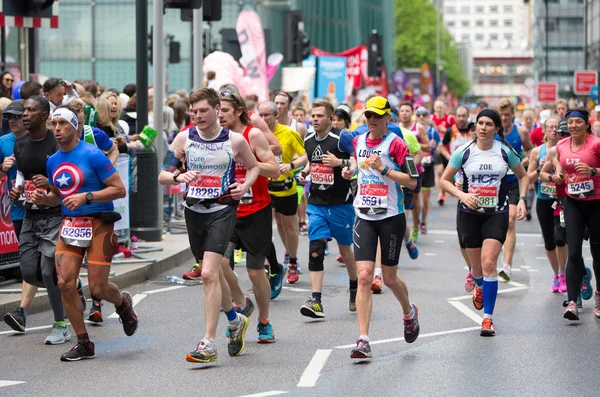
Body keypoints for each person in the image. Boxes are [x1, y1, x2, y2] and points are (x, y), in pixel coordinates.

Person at [159, 88, 261, 363]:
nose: (197, 116)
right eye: (193, 111)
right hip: (194, 211)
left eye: (203, 110)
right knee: (211, 275)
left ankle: (208, 343)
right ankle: (234, 319)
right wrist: (179, 177)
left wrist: (244, 186)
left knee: (207, 274)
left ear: (217, 110)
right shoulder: (185, 138)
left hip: (222, 210)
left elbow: (254, 167)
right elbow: (163, 175)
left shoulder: (235, 140)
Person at [31, 105, 138, 361]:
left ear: (75, 126)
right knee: (65, 283)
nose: (57, 129)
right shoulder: (53, 161)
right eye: (53, 124)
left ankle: (123, 304)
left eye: (62, 124)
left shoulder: (93, 155)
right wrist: (43, 199)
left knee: (98, 288)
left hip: (99, 222)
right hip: (71, 225)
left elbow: (119, 189)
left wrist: (86, 196)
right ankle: (83, 343)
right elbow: (58, 197)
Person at [344, 96, 420, 359]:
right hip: (364, 214)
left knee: (388, 279)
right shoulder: (358, 141)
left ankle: (409, 312)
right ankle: (363, 339)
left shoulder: (396, 144)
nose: (372, 120)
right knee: (364, 276)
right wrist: (350, 171)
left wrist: (385, 169)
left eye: (377, 115)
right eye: (368, 115)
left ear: (389, 117)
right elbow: (357, 165)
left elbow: (411, 182)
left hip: (390, 216)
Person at [441, 109, 529, 336]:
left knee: (489, 263)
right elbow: (444, 180)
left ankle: (488, 318)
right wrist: (462, 195)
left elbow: (523, 176)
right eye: (480, 123)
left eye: (488, 124)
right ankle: (479, 286)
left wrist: (521, 201)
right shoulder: (464, 152)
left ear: (497, 129)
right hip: (469, 214)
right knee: (477, 268)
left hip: (496, 213)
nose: (483, 127)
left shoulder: (505, 152)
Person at [7, 96, 75, 344]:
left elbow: (69, 177)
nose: (24, 114)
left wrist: (51, 184)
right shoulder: (20, 144)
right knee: (28, 272)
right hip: (30, 215)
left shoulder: (56, 144)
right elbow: (22, 173)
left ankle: (60, 324)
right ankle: (72, 286)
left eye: (31, 110)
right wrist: (17, 189)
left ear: (45, 116)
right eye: (24, 110)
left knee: (48, 272)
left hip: (55, 215)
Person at [217, 89, 281, 342]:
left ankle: (264, 322)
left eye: (225, 111)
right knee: (219, 263)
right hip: (227, 211)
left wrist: (251, 162)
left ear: (239, 111)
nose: (220, 115)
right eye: (218, 110)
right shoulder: (217, 137)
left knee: (255, 272)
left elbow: (274, 170)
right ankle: (242, 304)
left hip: (256, 211)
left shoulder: (252, 134)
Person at [297, 99, 358, 318]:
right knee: (315, 251)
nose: (314, 119)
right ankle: (316, 301)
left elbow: (356, 161)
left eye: (320, 116)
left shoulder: (342, 137)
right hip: (317, 204)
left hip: (341, 205)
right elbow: (313, 161)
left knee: (345, 251)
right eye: (313, 115)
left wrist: (340, 164)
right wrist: (306, 172)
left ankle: (354, 287)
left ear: (331, 119)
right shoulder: (308, 139)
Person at [540, 109, 600, 320]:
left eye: (578, 122)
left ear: (586, 125)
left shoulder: (595, 144)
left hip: (596, 203)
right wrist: (553, 177)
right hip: (572, 202)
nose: (573, 126)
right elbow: (543, 173)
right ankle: (572, 302)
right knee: (573, 252)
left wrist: (593, 172)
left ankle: (599, 296)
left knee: (597, 252)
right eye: (570, 122)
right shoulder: (560, 147)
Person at [259, 100, 308, 284]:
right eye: (261, 115)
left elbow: (305, 155)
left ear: (276, 115)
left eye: (267, 115)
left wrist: (291, 165)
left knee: (289, 227)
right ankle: (266, 266)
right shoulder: (257, 134)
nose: (263, 118)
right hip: (266, 189)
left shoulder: (289, 133)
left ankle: (293, 261)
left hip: (286, 188)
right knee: (265, 227)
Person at [1, 100, 38, 332]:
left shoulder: (41, 141)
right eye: (8, 118)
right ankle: (22, 312)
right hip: (17, 210)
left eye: (16, 117)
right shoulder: (3, 143)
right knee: (29, 263)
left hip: (44, 210)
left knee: (45, 264)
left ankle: (22, 311)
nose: (12, 121)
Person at [527, 116, 567, 293]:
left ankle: (564, 273)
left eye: (555, 127)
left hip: (561, 200)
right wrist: (539, 169)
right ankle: (556, 275)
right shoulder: (537, 151)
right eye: (549, 127)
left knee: (560, 238)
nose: (552, 130)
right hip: (543, 200)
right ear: (544, 130)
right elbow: (528, 178)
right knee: (549, 240)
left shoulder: (565, 149)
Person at [413, 106, 440, 234]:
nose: (421, 117)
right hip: (416, 166)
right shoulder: (412, 129)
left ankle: (423, 222)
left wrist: (433, 147)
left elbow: (437, 147)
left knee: (425, 198)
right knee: (416, 197)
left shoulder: (432, 131)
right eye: (419, 115)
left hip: (428, 165)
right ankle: (416, 222)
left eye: (424, 115)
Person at [430, 100, 456, 206]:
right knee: (439, 171)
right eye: (437, 107)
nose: (439, 109)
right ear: (434, 108)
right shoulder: (431, 119)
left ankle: (446, 189)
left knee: (447, 172)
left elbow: (456, 132)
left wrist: (445, 131)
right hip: (437, 149)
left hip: (449, 149)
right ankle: (440, 193)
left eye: (441, 107)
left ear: (444, 108)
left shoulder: (450, 119)